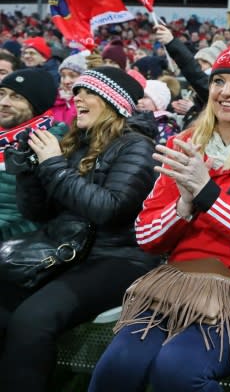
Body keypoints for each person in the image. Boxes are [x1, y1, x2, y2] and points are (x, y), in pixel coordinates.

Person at [89, 43, 230, 392]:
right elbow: (146, 236)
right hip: (177, 287)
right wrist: (183, 209)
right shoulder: (184, 144)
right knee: (116, 370)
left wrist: (207, 194)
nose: (226, 92)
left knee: (177, 371)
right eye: (219, 81)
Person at [0, 67, 159, 392]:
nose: (77, 97)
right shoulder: (75, 142)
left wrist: (52, 165)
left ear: (112, 102)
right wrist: (28, 173)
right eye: (76, 92)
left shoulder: (136, 147)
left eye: (88, 92)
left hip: (117, 258)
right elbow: (39, 212)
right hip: (67, 251)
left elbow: (107, 209)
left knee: (33, 319)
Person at [0, 69, 67, 240]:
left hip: (18, 236)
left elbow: (30, 217)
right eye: (1, 94)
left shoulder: (49, 142)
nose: (4, 102)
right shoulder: (3, 136)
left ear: (37, 105)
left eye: (17, 97)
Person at [51, 52, 87, 125]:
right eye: (63, 76)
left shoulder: (88, 104)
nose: (66, 81)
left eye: (73, 75)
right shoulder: (55, 100)